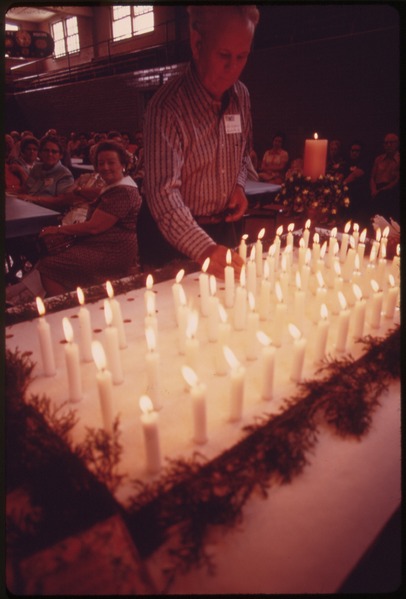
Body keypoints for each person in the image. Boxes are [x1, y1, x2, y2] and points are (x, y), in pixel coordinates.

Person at [143, 5, 260, 278]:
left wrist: (239, 186)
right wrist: (204, 248)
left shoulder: (241, 96)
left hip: (222, 228)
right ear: (197, 44)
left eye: (242, 57)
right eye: (224, 55)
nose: (233, 69)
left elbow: (243, 152)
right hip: (172, 237)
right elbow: (163, 194)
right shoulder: (167, 107)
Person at [6, 141, 142, 302]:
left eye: (111, 162)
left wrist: (57, 230)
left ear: (123, 164)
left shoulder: (123, 192)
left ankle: (68, 307)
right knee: (49, 256)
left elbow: (94, 228)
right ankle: (22, 293)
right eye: (100, 163)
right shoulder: (116, 186)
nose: (105, 167)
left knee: (49, 266)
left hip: (113, 250)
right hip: (102, 244)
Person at [18, 135, 75, 202]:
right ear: (40, 153)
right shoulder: (36, 168)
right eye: (46, 150)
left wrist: (33, 199)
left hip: (48, 211)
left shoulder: (65, 175)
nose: (50, 154)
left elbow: (62, 201)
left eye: (54, 152)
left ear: (61, 155)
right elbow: (25, 189)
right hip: (28, 205)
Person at [369, 132, 400, 221]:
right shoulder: (379, 159)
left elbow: (397, 180)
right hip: (376, 189)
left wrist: (381, 191)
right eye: (386, 143)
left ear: (397, 144)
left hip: (391, 192)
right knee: (374, 218)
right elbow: (372, 177)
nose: (388, 145)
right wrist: (374, 190)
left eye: (391, 142)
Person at [341, 140, 369, 224]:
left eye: (357, 151)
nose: (354, 153)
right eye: (352, 151)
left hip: (359, 195)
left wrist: (342, 184)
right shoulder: (346, 163)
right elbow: (341, 175)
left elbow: (355, 175)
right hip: (346, 194)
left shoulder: (364, 163)